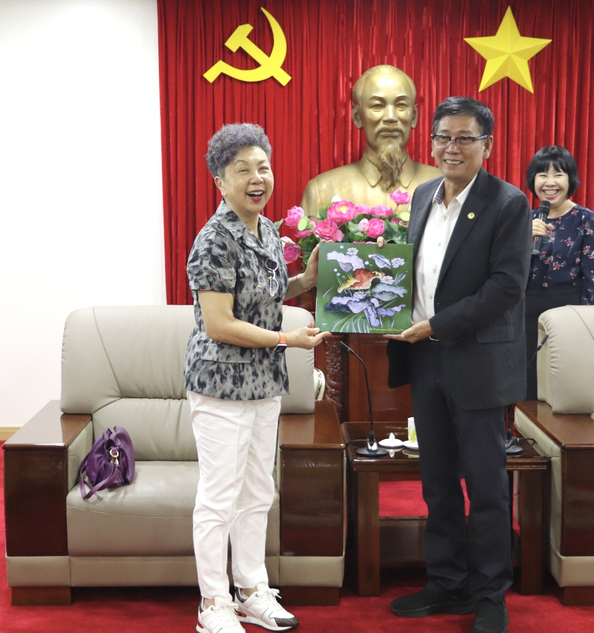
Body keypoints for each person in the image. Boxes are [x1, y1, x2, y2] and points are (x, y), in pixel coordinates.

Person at [386, 97, 531, 633]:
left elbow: (506, 287)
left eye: (465, 138)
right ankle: (447, 585)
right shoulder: (424, 195)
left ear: (486, 146)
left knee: (486, 486)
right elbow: (412, 272)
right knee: (437, 482)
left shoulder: (508, 202)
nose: (452, 146)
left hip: (478, 365)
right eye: (443, 136)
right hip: (425, 361)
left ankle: (491, 594)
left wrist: (437, 324)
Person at [184, 123, 329, 633]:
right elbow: (221, 322)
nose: (256, 177)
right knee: (219, 496)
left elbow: (262, 297)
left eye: (262, 166)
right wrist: (287, 341)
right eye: (241, 169)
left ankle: (251, 590)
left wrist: (305, 281)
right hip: (220, 386)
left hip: (263, 383)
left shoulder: (266, 230)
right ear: (220, 181)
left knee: (258, 492)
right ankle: (214, 603)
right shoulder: (213, 240)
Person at [524, 146, 594, 399]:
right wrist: (523, 242)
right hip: (527, 315)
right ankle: (527, 438)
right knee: (529, 387)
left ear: (570, 179)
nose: (549, 182)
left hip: (569, 314)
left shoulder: (586, 220)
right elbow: (508, 275)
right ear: (533, 180)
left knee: (564, 388)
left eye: (558, 174)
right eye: (542, 174)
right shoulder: (526, 220)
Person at [300, 65, 440, 214]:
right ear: (357, 117)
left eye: (401, 105)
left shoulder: (445, 187)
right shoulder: (322, 192)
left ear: (414, 116)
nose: (391, 117)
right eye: (377, 106)